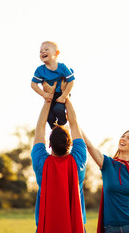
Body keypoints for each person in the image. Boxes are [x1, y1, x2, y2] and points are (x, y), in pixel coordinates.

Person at [31, 81, 87, 233]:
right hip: (76, 227)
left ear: (49, 144)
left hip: (45, 227)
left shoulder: (41, 163)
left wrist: (47, 98)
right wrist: (65, 95)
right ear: (70, 144)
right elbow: (74, 124)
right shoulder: (78, 161)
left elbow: (40, 127)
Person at [82, 130, 129, 233]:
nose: (123, 139)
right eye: (123, 136)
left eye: (128, 138)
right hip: (111, 228)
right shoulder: (107, 164)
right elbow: (90, 146)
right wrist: (74, 122)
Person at [31, 41, 75, 128]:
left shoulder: (62, 67)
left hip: (61, 94)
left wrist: (64, 96)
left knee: (58, 109)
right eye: (40, 51)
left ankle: (63, 123)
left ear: (56, 53)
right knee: (49, 116)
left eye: (46, 49)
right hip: (49, 95)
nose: (43, 52)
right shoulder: (40, 70)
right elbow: (33, 84)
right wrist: (44, 94)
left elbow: (71, 81)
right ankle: (54, 130)